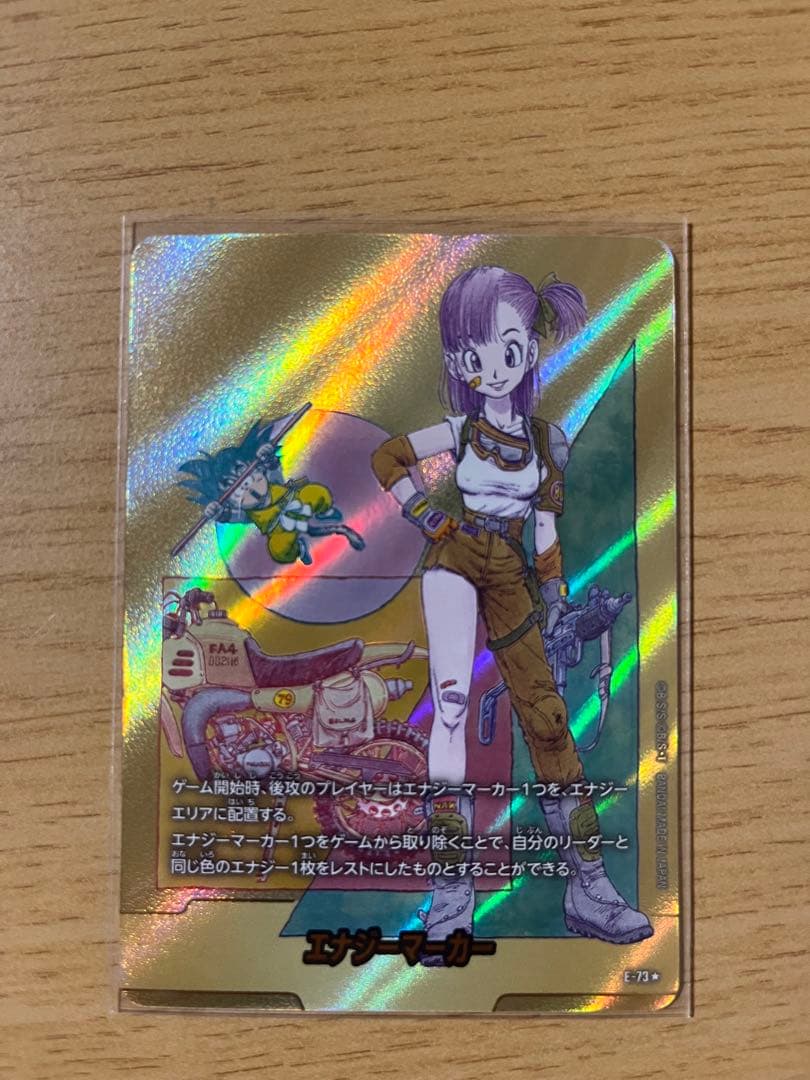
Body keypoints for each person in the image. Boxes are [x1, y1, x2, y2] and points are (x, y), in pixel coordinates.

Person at [371, 265, 652, 949]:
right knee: (451, 706)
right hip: (456, 557)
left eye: (504, 349)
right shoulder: (461, 430)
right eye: (470, 354)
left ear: (528, 350)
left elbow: (546, 534)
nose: (487, 367)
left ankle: (590, 886)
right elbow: (389, 459)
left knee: (549, 720)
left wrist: (555, 597)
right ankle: (451, 896)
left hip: (512, 573)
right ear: (457, 362)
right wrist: (425, 516)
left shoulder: (548, 443)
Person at [178, 418, 364, 565]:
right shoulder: (247, 513)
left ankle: (324, 511)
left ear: (257, 468)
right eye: (233, 487)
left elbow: (274, 469)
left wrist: (268, 457)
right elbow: (230, 516)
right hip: (279, 529)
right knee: (279, 549)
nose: (246, 486)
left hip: (297, 501)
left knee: (315, 492)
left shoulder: (272, 482)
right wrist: (218, 513)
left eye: (245, 474)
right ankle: (298, 548)